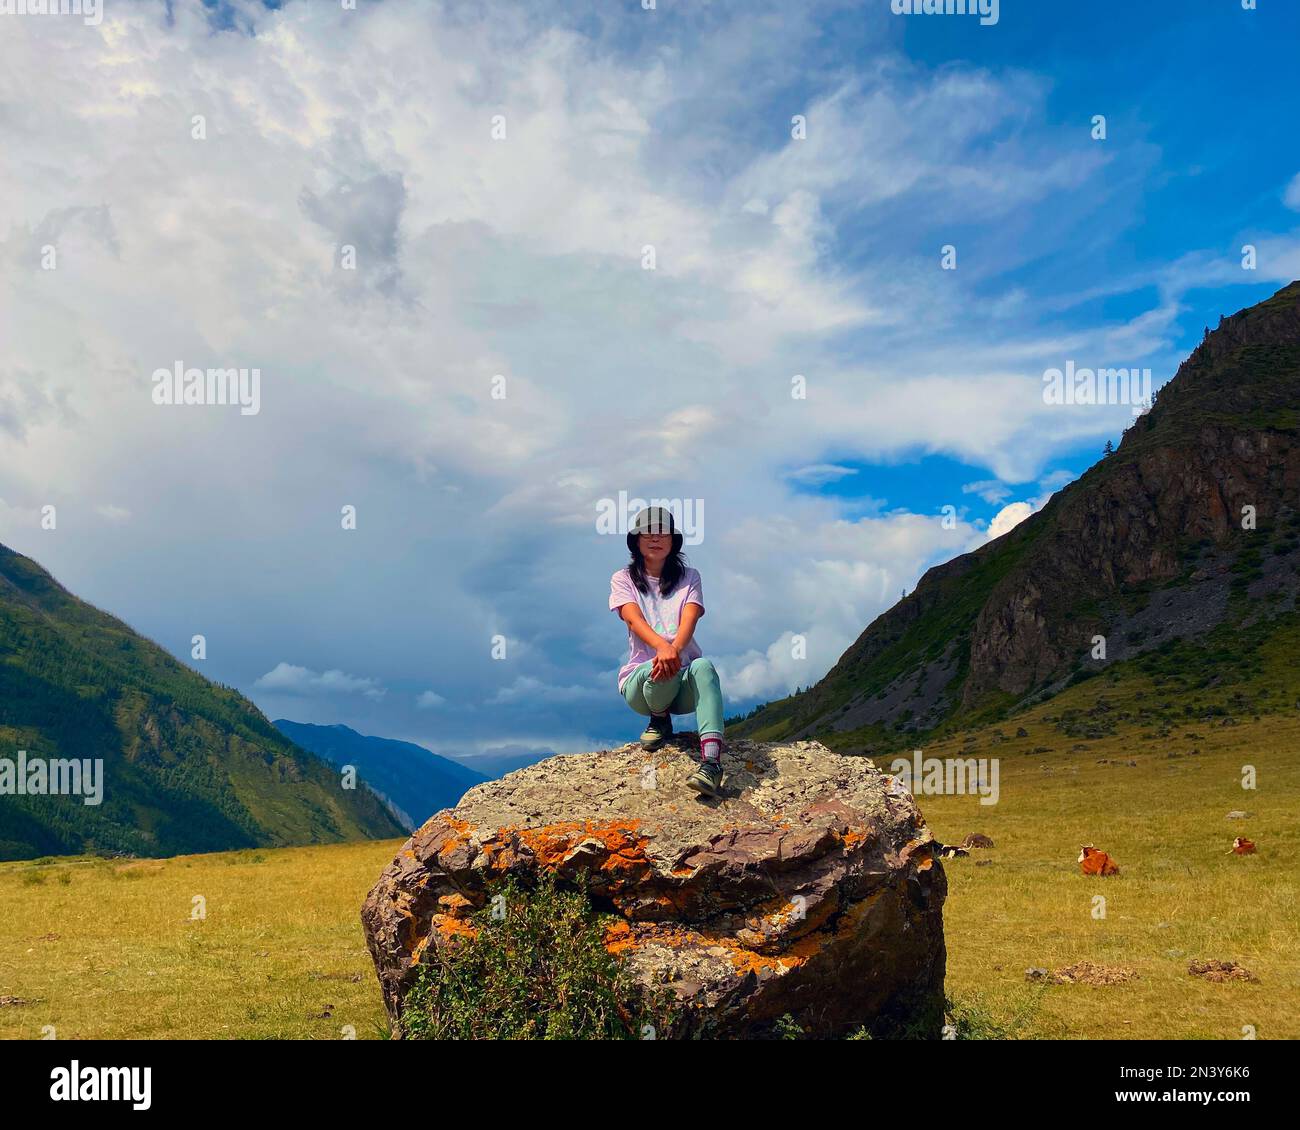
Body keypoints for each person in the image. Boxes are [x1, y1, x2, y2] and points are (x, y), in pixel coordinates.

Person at [609, 506, 726, 797]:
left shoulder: (690, 577)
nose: (655, 539)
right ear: (635, 541)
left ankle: (711, 763)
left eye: (662, 533)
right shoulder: (622, 579)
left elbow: (690, 618)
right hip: (641, 684)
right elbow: (633, 618)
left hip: (681, 678)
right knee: (658, 666)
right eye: (647, 533)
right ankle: (658, 718)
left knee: (704, 667)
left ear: (673, 541)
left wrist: (673, 650)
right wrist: (663, 648)